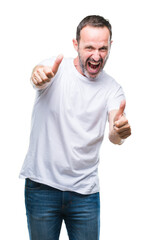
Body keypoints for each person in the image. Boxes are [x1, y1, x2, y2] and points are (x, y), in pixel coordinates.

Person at [19, 15, 131, 240]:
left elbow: (114, 131)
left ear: (110, 47)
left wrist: (119, 133)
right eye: (89, 47)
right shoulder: (55, 69)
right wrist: (37, 77)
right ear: (75, 45)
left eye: (103, 48)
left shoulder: (112, 89)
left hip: (85, 194)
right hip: (42, 187)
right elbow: (38, 76)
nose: (96, 56)